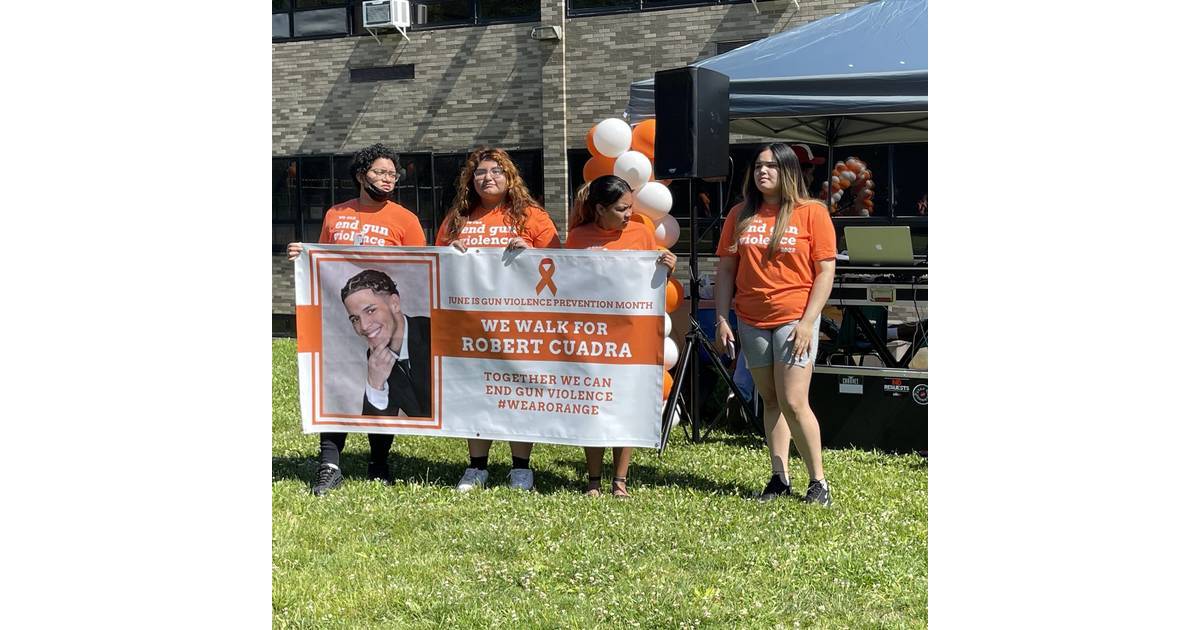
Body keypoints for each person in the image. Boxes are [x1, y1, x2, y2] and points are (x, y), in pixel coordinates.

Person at [286, 143, 428, 496]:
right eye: (380, 172)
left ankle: (378, 461)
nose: (388, 179)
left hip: (381, 324)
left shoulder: (405, 220)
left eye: (393, 174)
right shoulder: (337, 213)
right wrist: (303, 253)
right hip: (340, 321)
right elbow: (324, 264)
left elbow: (419, 270)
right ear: (362, 175)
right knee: (337, 385)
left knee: (382, 383)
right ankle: (329, 464)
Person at [714, 143, 837, 506]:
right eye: (757, 167)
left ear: (788, 171)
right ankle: (779, 478)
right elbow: (725, 270)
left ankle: (818, 482)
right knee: (770, 399)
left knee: (794, 400)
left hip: (795, 317)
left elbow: (825, 270)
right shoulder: (740, 214)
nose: (762, 172)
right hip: (751, 319)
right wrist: (723, 318)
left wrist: (808, 321)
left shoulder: (811, 212)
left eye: (771, 166)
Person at [435, 147, 561, 492]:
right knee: (476, 393)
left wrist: (532, 253)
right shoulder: (458, 219)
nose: (486, 177)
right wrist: (452, 253)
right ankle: (477, 467)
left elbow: (560, 265)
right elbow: (437, 266)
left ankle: (521, 469)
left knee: (517, 392)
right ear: (469, 180)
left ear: (510, 177)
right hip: (470, 323)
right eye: (479, 172)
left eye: (495, 171)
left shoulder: (532, 216)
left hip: (518, 323)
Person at [563, 175, 676, 498]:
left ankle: (620, 481)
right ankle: (594, 481)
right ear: (600, 209)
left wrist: (669, 265)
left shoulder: (641, 232)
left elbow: (652, 277)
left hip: (630, 336)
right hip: (589, 337)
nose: (629, 215)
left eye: (630, 208)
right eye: (622, 209)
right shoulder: (578, 237)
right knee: (592, 406)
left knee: (625, 404)